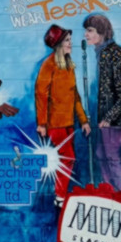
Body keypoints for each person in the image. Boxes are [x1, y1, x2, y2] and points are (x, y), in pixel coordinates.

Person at [35, 24, 91, 206]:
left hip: (68, 122)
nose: (70, 44)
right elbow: (41, 94)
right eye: (67, 40)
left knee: (66, 159)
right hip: (54, 123)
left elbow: (75, 95)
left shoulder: (68, 65)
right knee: (68, 158)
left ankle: (60, 195)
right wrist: (42, 123)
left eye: (70, 40)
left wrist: (83, 120)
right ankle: (60, 197)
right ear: (58, 44)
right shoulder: (48, 65)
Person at [84, 13, 121, 195]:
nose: (86, 35)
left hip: (114, 119)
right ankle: (112, 194)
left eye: (90, 30)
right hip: (105, 117)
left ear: (102, 32)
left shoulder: (115, 53)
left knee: (112, 158)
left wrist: (109, 118)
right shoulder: (103, 53)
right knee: (100, 155)